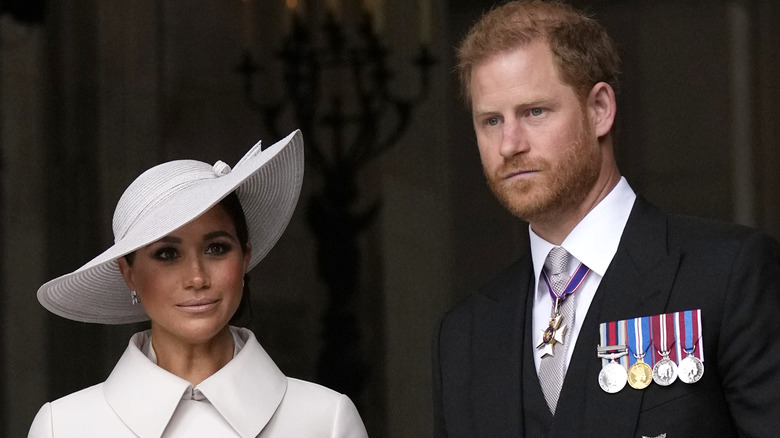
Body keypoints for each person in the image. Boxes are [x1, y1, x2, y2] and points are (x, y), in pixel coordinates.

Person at [432, 1, 780, 437]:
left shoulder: (727, 276)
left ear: (599, 109)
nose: (509, 145)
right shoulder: (464, 337)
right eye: (491, 121)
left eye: (534, 112)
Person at [29, 130, 369, 437]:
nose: (196, 278)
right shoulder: (64, 426)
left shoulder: (326, 420)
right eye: (166, 254)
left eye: (216, 248)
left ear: (245, 257)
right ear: (128, 272)